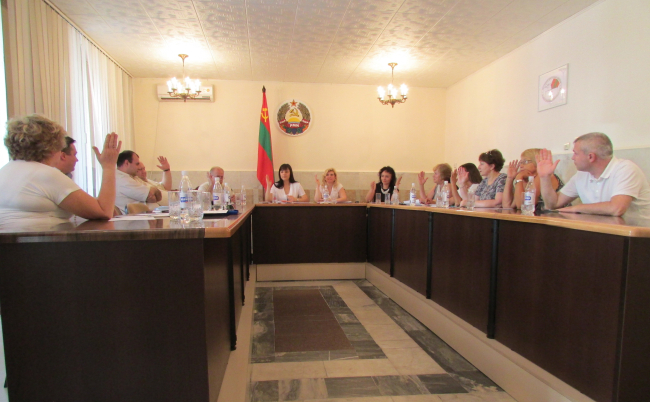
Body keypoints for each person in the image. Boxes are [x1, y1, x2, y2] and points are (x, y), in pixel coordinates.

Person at [0, 114, 121, 229]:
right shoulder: (45, 174)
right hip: (44, 241)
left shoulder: (5, 171)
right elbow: (104, 211)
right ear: (51, 147)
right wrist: (109, 166)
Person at [538, 132, 650, 218]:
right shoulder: (581, 175)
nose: (572, 158)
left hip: (637, 236)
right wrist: (545, 177)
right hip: (603, 232)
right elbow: (553, 204)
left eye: (576, 153)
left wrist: (577, 208)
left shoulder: (625, 169)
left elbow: (617, 208)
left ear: (591, 157)